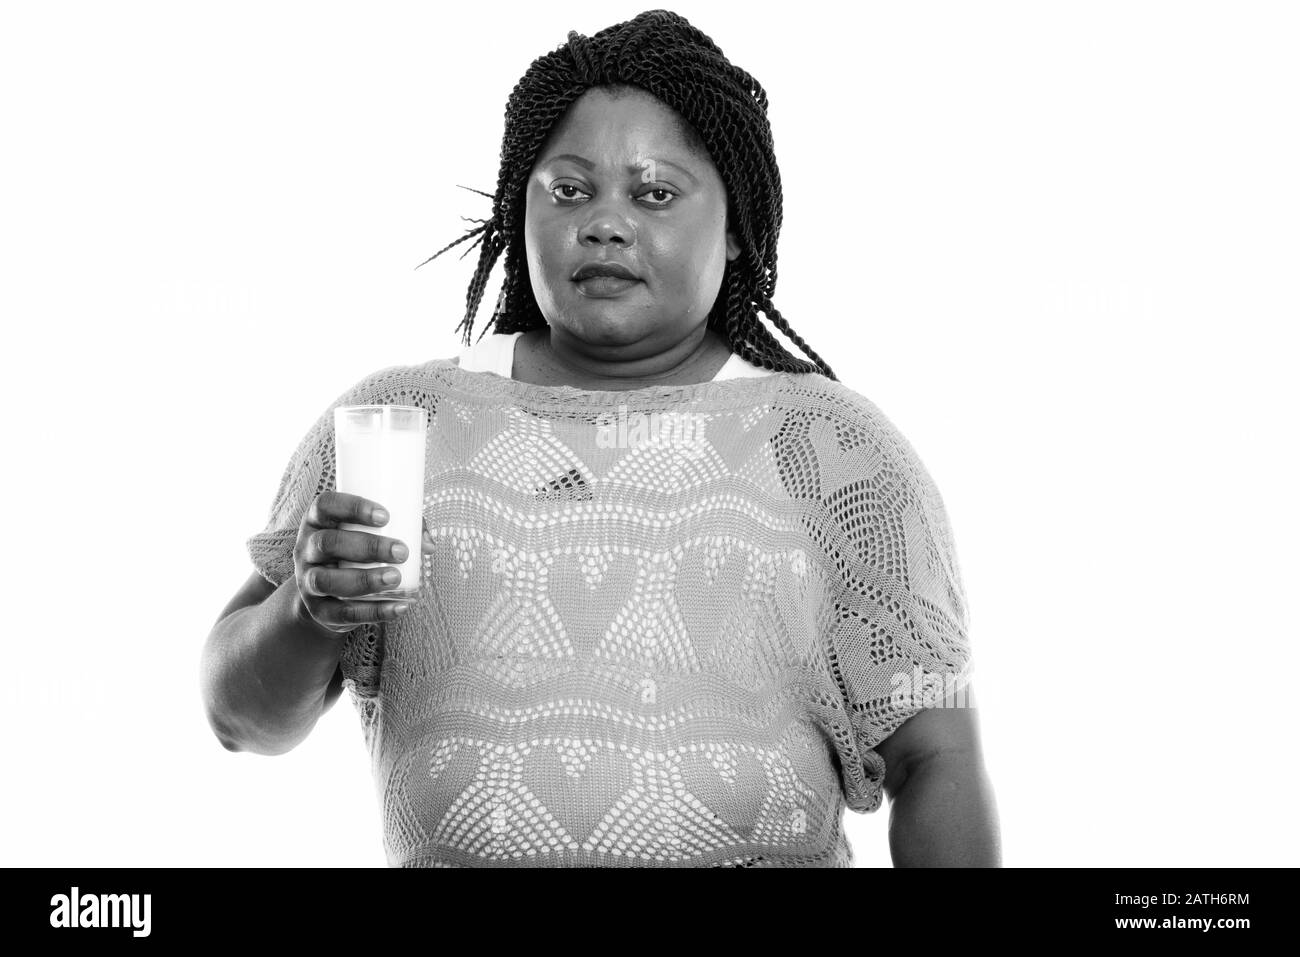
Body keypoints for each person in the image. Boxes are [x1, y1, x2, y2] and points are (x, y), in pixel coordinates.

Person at [200, 9, 1000, 868]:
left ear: (735, 226)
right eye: (570, 189)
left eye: (654, 192)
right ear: (521, 210)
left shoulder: (832, 451)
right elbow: (239, 720)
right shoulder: (399, 426)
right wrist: (307, 611)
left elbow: (936, 756)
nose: (605, 223)